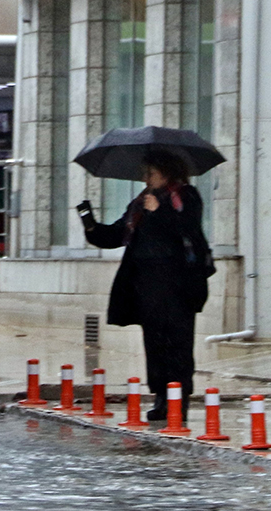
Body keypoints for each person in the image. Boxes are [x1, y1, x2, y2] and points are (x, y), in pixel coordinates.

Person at [81, 150, 211, 421]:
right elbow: (119, 233)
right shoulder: (141, 202)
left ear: (165, 172)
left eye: (150, 173)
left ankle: (179, 400)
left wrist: (160, 210)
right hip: (147, 285)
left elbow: (188, 230)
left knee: (177, 343)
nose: (145, 178)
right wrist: (91, 226)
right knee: (154, 342)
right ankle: (161, 396)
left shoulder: (185, 196)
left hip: (177, 286)